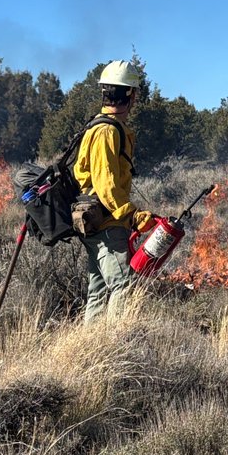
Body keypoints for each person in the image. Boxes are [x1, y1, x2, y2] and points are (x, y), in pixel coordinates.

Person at [72, 60, 155, 323]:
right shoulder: (107, 131)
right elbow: (106, 184)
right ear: (130, 95)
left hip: (99, 221)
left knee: (97, 292)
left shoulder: (106, 127)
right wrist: (132, 216)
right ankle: (114, 346)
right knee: (123, 286)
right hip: (107, 222)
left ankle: (91, 349)